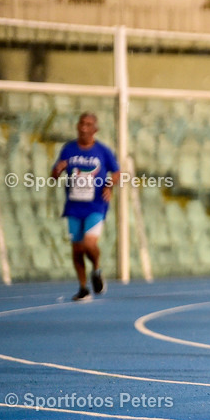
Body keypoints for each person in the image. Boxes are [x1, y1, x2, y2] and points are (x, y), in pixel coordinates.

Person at [50, 113, 120, 301]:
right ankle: (83, 288)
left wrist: (109, 185)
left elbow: (117, 173)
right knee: (77, 249)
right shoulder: (69, 149)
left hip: (96, 204)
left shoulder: (103, 151)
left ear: (95, 129)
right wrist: (58, 170)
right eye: (81, 123)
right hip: (74, 206)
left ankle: (96, 270)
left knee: (89, 244)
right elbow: (54, 175)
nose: (84, 127)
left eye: (88, 124)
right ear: (77, 126)